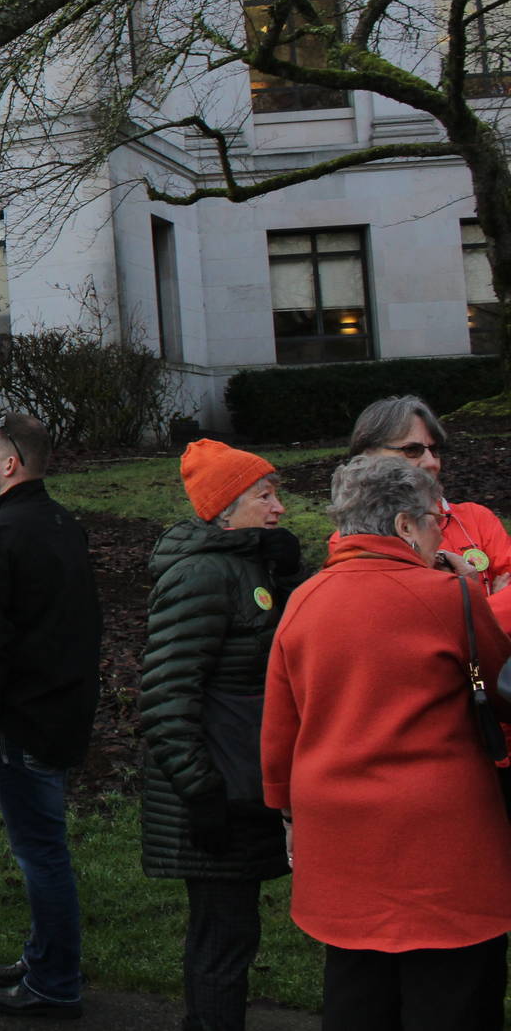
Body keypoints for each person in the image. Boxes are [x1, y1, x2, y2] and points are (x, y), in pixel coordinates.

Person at [268, 454, 511, 1030]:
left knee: (358, 986)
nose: (438, 531)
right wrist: (469, 589)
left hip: (339, 834)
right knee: (452, 992)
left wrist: (285, 810)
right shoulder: (452, 597)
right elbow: (500, 691)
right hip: (442, 838)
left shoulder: (304, 600)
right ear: (404, 525)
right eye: (433, 520)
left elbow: (281, 727)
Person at [141, 439, 298, 1031]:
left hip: (237, 784)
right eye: (265, 495)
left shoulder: (245, 564)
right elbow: (164, 691)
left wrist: (286, 569)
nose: (279, 507)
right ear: (226, 508)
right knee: (222, 939)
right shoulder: (204, 574)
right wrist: (200, 791)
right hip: (214, 795)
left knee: (233, 933)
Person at [0, 412, 99, 1020]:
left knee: (41, 853)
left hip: (20, 723)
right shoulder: (64, 525)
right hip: (60, 710)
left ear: (11, 463)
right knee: (43, 846)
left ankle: (56, 981)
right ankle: (44, 956)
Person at [342, 396, 511, 624]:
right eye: (412, 450)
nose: (432, 462)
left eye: (435, 450)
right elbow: (404, 625)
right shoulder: (353, 540)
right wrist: (485, 610)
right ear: (367, 458)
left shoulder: (476, 518)